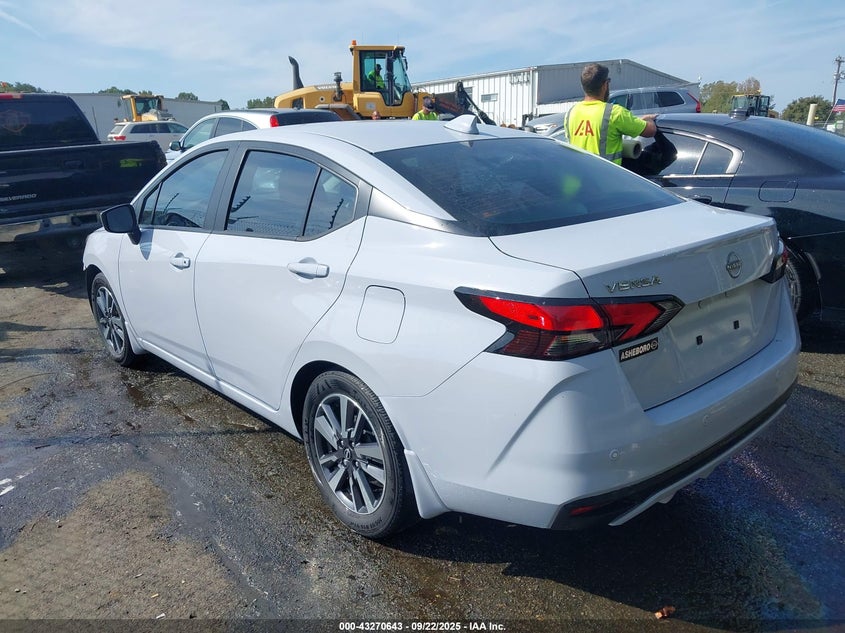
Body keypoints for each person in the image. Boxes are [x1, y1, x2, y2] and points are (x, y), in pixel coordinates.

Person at [563, 63, 657, 165]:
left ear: (583, 86)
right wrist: (648, 119)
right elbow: (650, 131)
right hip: (604, 178)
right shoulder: (614, 113)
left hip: (578, 176)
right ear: (605, 85)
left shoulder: (571, 113)